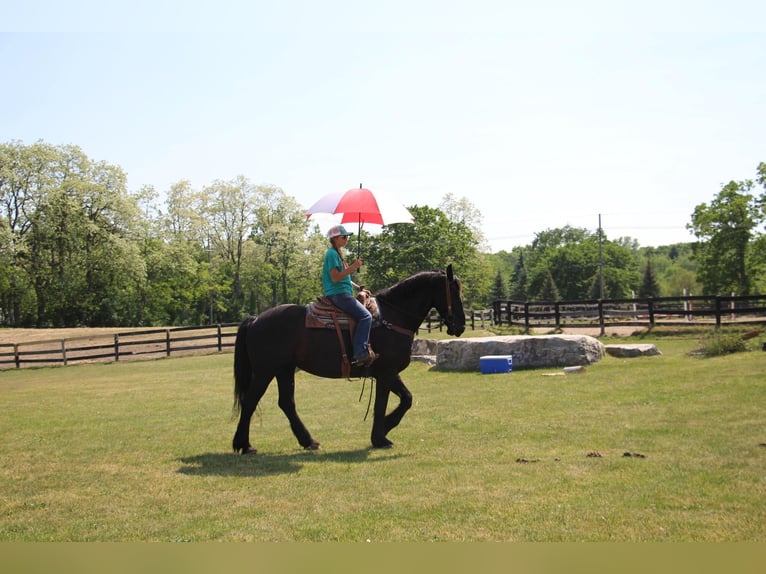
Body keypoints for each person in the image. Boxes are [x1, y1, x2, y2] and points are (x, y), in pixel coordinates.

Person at [322, 224, 377, 367]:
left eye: (347, 237)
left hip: (342, 292)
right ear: (334, 238)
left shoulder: (337, 254)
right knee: (366, 316)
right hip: (338, 294)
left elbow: (345, 278)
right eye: (344, 237)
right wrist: (354, 266)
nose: (346, 239)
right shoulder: (332, 254)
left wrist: (359, 288)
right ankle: (360, 353)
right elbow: (335, 278)